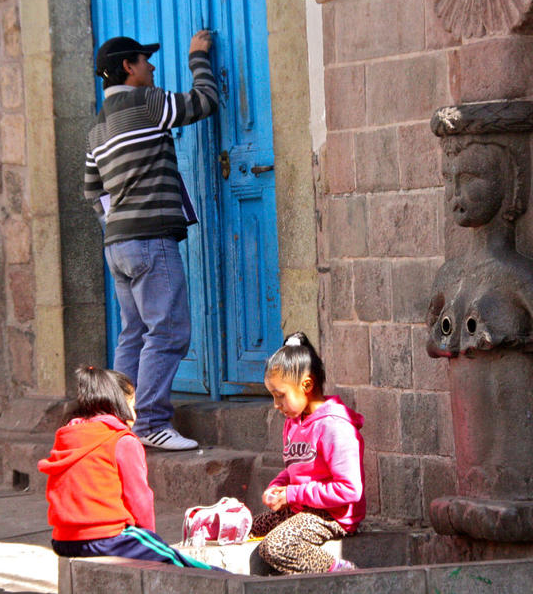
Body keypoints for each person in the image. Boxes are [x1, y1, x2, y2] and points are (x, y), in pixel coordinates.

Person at [83, 31, 218, 451]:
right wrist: (198, 56)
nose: (153, 68)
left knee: (134, 333)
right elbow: (205, 101)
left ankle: (117, 424)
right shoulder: (147, 102)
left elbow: (92, 192)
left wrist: (119, 223)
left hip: (118, 243)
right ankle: (151, 423)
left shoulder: (96, 128)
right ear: (129, 66)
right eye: (146, 60)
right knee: (169, 331)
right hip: (149, 238)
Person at [37, 365, 217, 569]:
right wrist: (150, 539)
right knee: (183, 564)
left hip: (63, 540)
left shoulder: (68, 435)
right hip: (105, 538)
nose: (135, 414)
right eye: (133, 407)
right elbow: (139, 497)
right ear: (119, 405)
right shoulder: (122, 441)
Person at [251, 332, 366, 574]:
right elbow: (295, 468)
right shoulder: (294, 421)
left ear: (306, 385)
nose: (276, 404)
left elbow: (349, 490)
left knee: (276, 547)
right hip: (302, 507)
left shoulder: (335, 426)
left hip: (332, 516)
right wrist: (278, 486)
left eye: (280, 396)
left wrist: (293, 494)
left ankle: (341, 571)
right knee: (252, 528)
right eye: (273, 396)